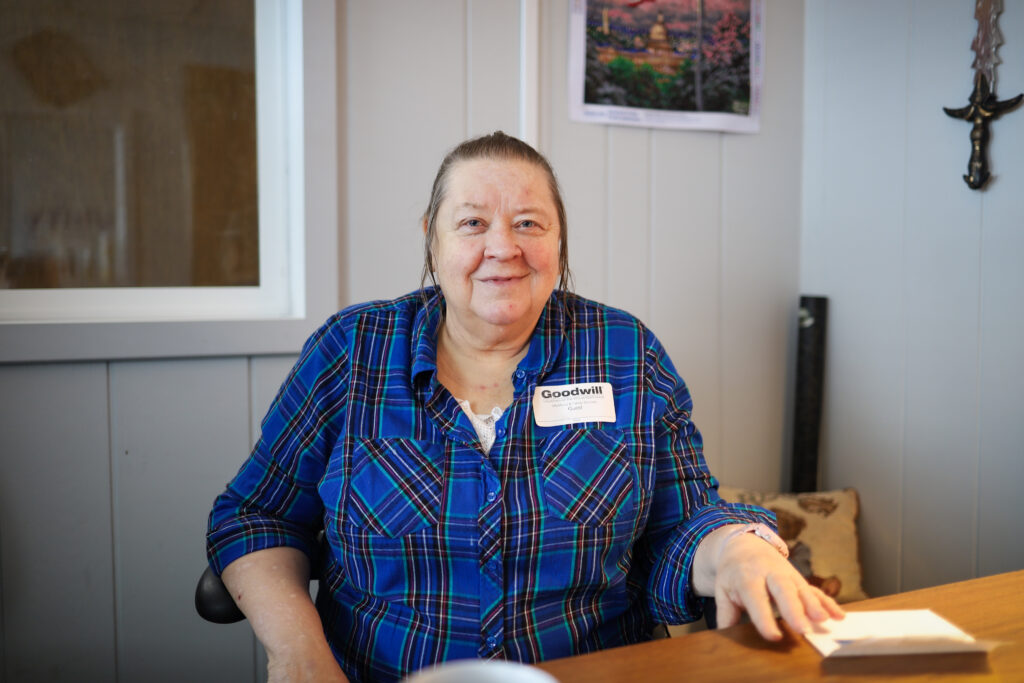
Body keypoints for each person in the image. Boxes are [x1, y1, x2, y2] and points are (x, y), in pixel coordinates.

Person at [206, 131, 843, 683]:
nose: (503, 247)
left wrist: (739, 549)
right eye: (472, 222)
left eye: (529, 223)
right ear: (433, 239)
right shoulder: (352, 352)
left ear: (559, 242)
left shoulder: (624, 351)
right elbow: (258, 516)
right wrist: (299, 654)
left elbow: (681, 520)